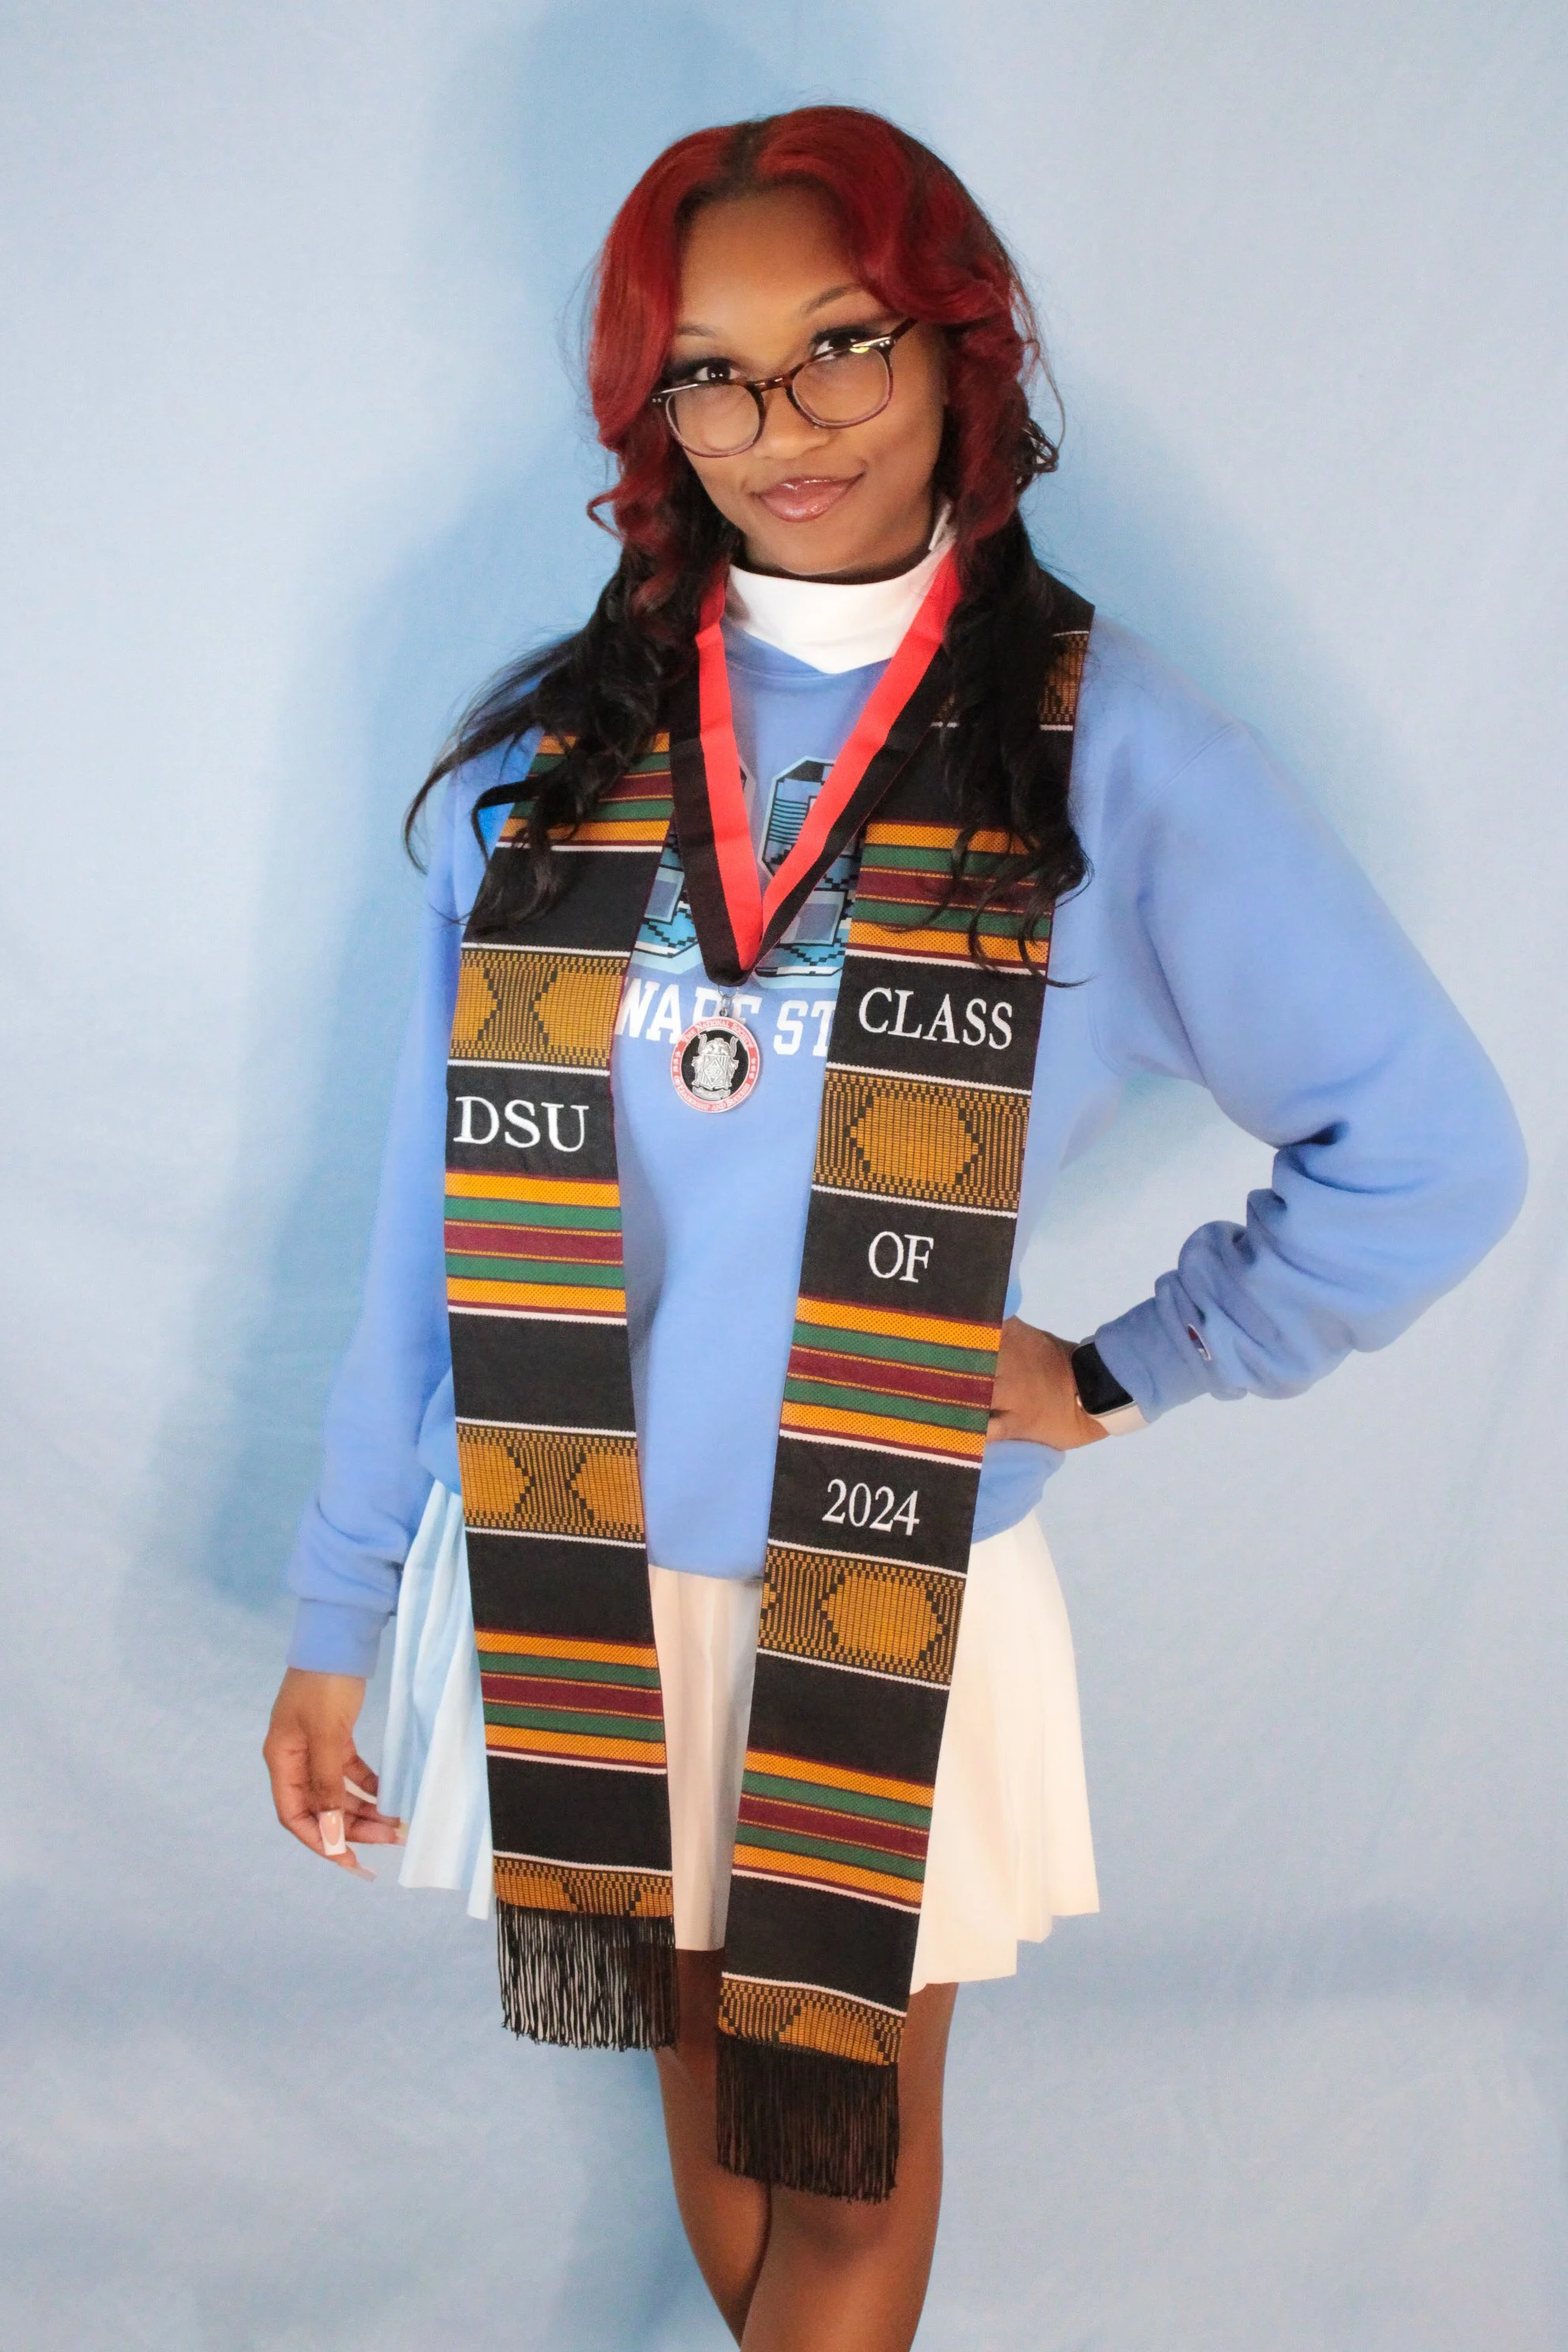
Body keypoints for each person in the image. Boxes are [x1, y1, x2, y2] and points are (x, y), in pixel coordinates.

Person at [262, 106, 1525, 2352]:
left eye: (839, 344)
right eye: (714, 373)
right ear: (658, 418)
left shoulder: (1096, 760)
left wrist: (1124, 1367)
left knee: (841, 2181)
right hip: (580, 1575)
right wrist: (339, 1594)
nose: (783, 424)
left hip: (884, 1593)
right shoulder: (546, 771)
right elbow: (416, 1235)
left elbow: (1430, 1147)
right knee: (717, 2131)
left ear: (957, 352)